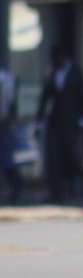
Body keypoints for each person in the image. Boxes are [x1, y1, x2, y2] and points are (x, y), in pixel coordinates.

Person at [37, 44, 83, 204]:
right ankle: (57, 192)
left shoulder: (75, 72)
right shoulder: (52, 72)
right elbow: (45, 97)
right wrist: (39, 121)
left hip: (71, 122)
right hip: (56, 120)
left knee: (72, 156)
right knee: (54, 155)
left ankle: (81, 185)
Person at [0, 65, 25, 204]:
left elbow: (10, 103)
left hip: (4, 125)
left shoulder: (6, 79)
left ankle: (17, 187)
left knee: (6, 159)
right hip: (5, 123)